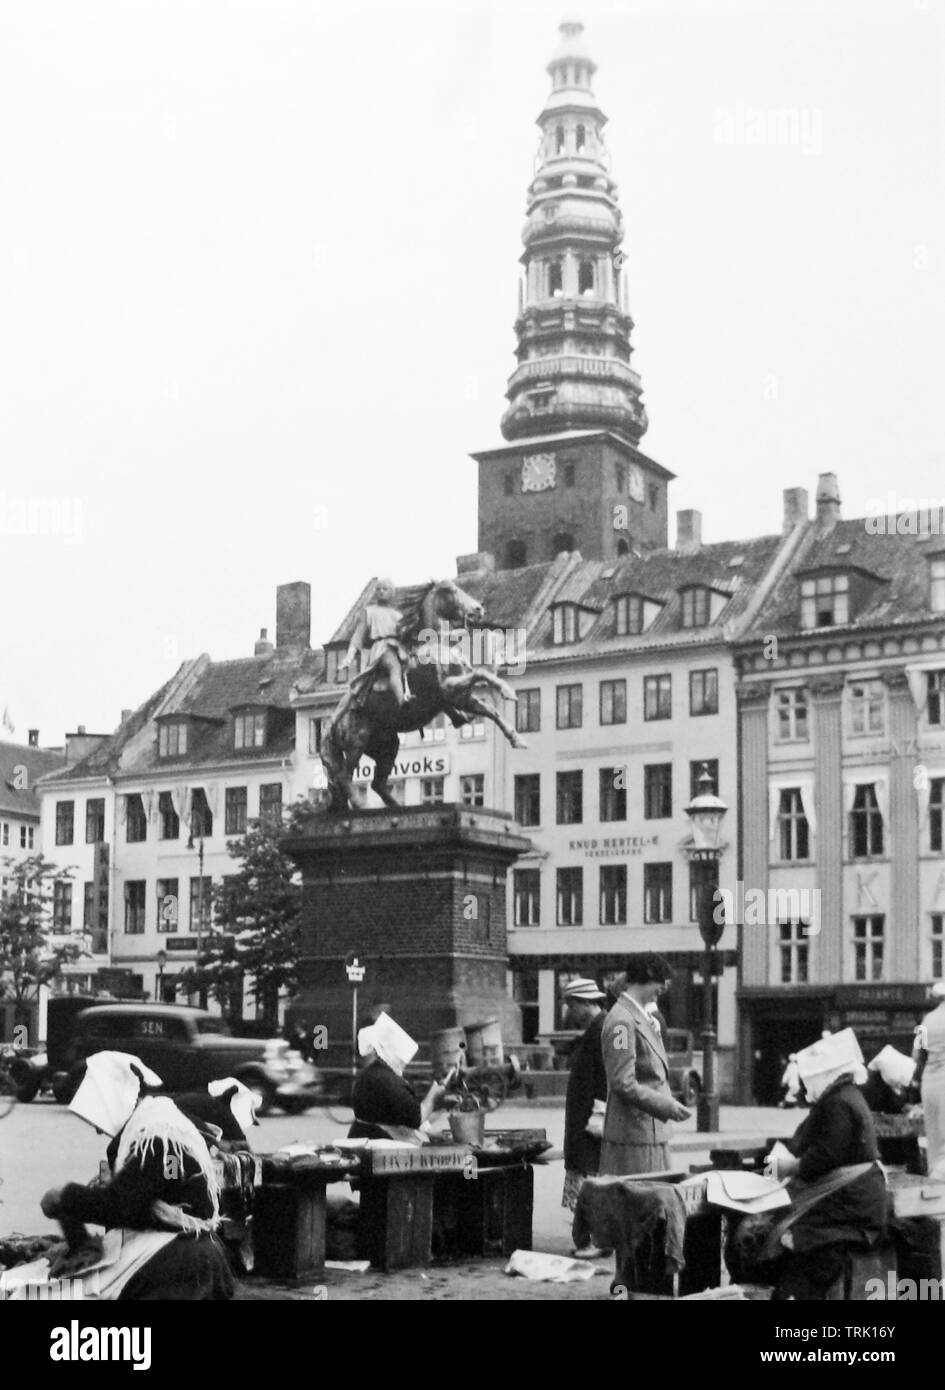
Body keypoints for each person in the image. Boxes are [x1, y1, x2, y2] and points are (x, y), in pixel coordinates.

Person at [38, 1051, 235, 1300]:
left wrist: (65, 1196)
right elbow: (170, 1177)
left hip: (178, 1263)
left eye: (98, 1121)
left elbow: (124, 1206)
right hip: (193, 1256)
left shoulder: (158, 1135)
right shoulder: (166, 1126)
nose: (99, 1131)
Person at [735, 1029, 887, 1300]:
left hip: (848, 1206)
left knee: (789, 1236)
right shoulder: (844, 1096)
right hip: (855, 1199)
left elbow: (822, 1158)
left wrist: (785, 1168)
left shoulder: (838, 1103)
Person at [599, 953, 691, 1176]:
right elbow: (623, 1082)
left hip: (646, 1134)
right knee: (643, 1205)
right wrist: (665, 1105)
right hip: (635, 1137)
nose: (664, 988)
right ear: (648, 975)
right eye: (662, 982)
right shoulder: (622, 1021)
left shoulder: (637, 1017)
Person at [348, 1012, 451, 1142]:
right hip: (379, 1144)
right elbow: (417, 1118)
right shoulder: (388, 1081)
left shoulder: (370, 1073)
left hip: (362, 1137)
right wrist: (433, 1093)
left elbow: (401, 1118)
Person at [559, 979, 608, 1241]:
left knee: (589, 1179)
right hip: (585, 1121)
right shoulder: (595, 1029)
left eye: (571, 1004)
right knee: (586, 1176)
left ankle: (591, 1238)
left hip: (590, 1123)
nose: (569, 1011)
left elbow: (606, 1078)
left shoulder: (601, 1030)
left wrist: (599, 1116)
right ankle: (589, 1237)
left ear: (587, 1002)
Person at [337, 577, 412, 709]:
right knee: (394, 667)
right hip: (381, 648)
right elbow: (358, 635)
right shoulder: (369, 611)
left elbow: (405, 636)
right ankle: (402, 701)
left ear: (392, 592)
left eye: (385, 589)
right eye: (378, 589)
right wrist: (349, 657)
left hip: (397, 648)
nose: (381, 592)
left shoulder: (397, 615)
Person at [914, 981, 945, 1178]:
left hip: (930, 1083)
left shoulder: (926, 1021)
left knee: (934, 1137)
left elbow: (916, 1056)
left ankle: (935, 1177)